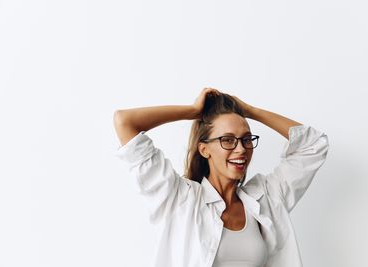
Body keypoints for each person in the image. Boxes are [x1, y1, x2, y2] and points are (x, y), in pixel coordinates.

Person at [113, 88, 329, 267]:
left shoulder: (265, 199)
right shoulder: (179, 198)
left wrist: (251, 111)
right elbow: (124, 121)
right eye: (227, 140)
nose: (241, 149)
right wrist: (192, 111)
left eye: (246, 139)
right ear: (204, 149)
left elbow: (313, 145)